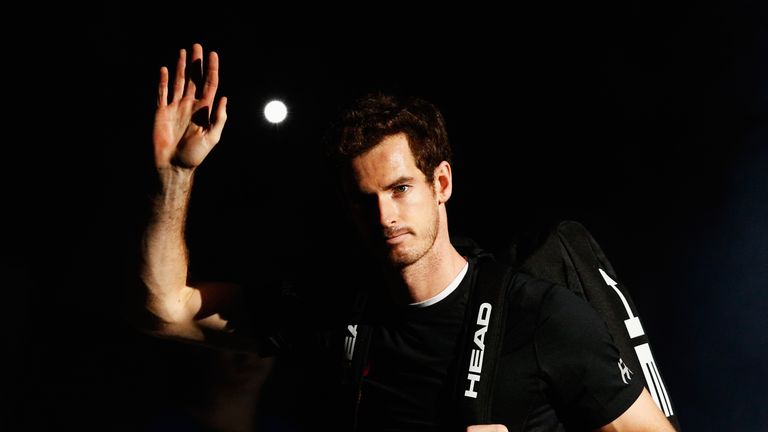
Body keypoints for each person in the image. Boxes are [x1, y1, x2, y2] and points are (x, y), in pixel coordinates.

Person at [135, 43, 676, 432]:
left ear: (440, 183)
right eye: (363, 199)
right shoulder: (334, 308)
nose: (384, 215)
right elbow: (167, 310)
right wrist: (174, 177)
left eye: (399, 189)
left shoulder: (540, 316)